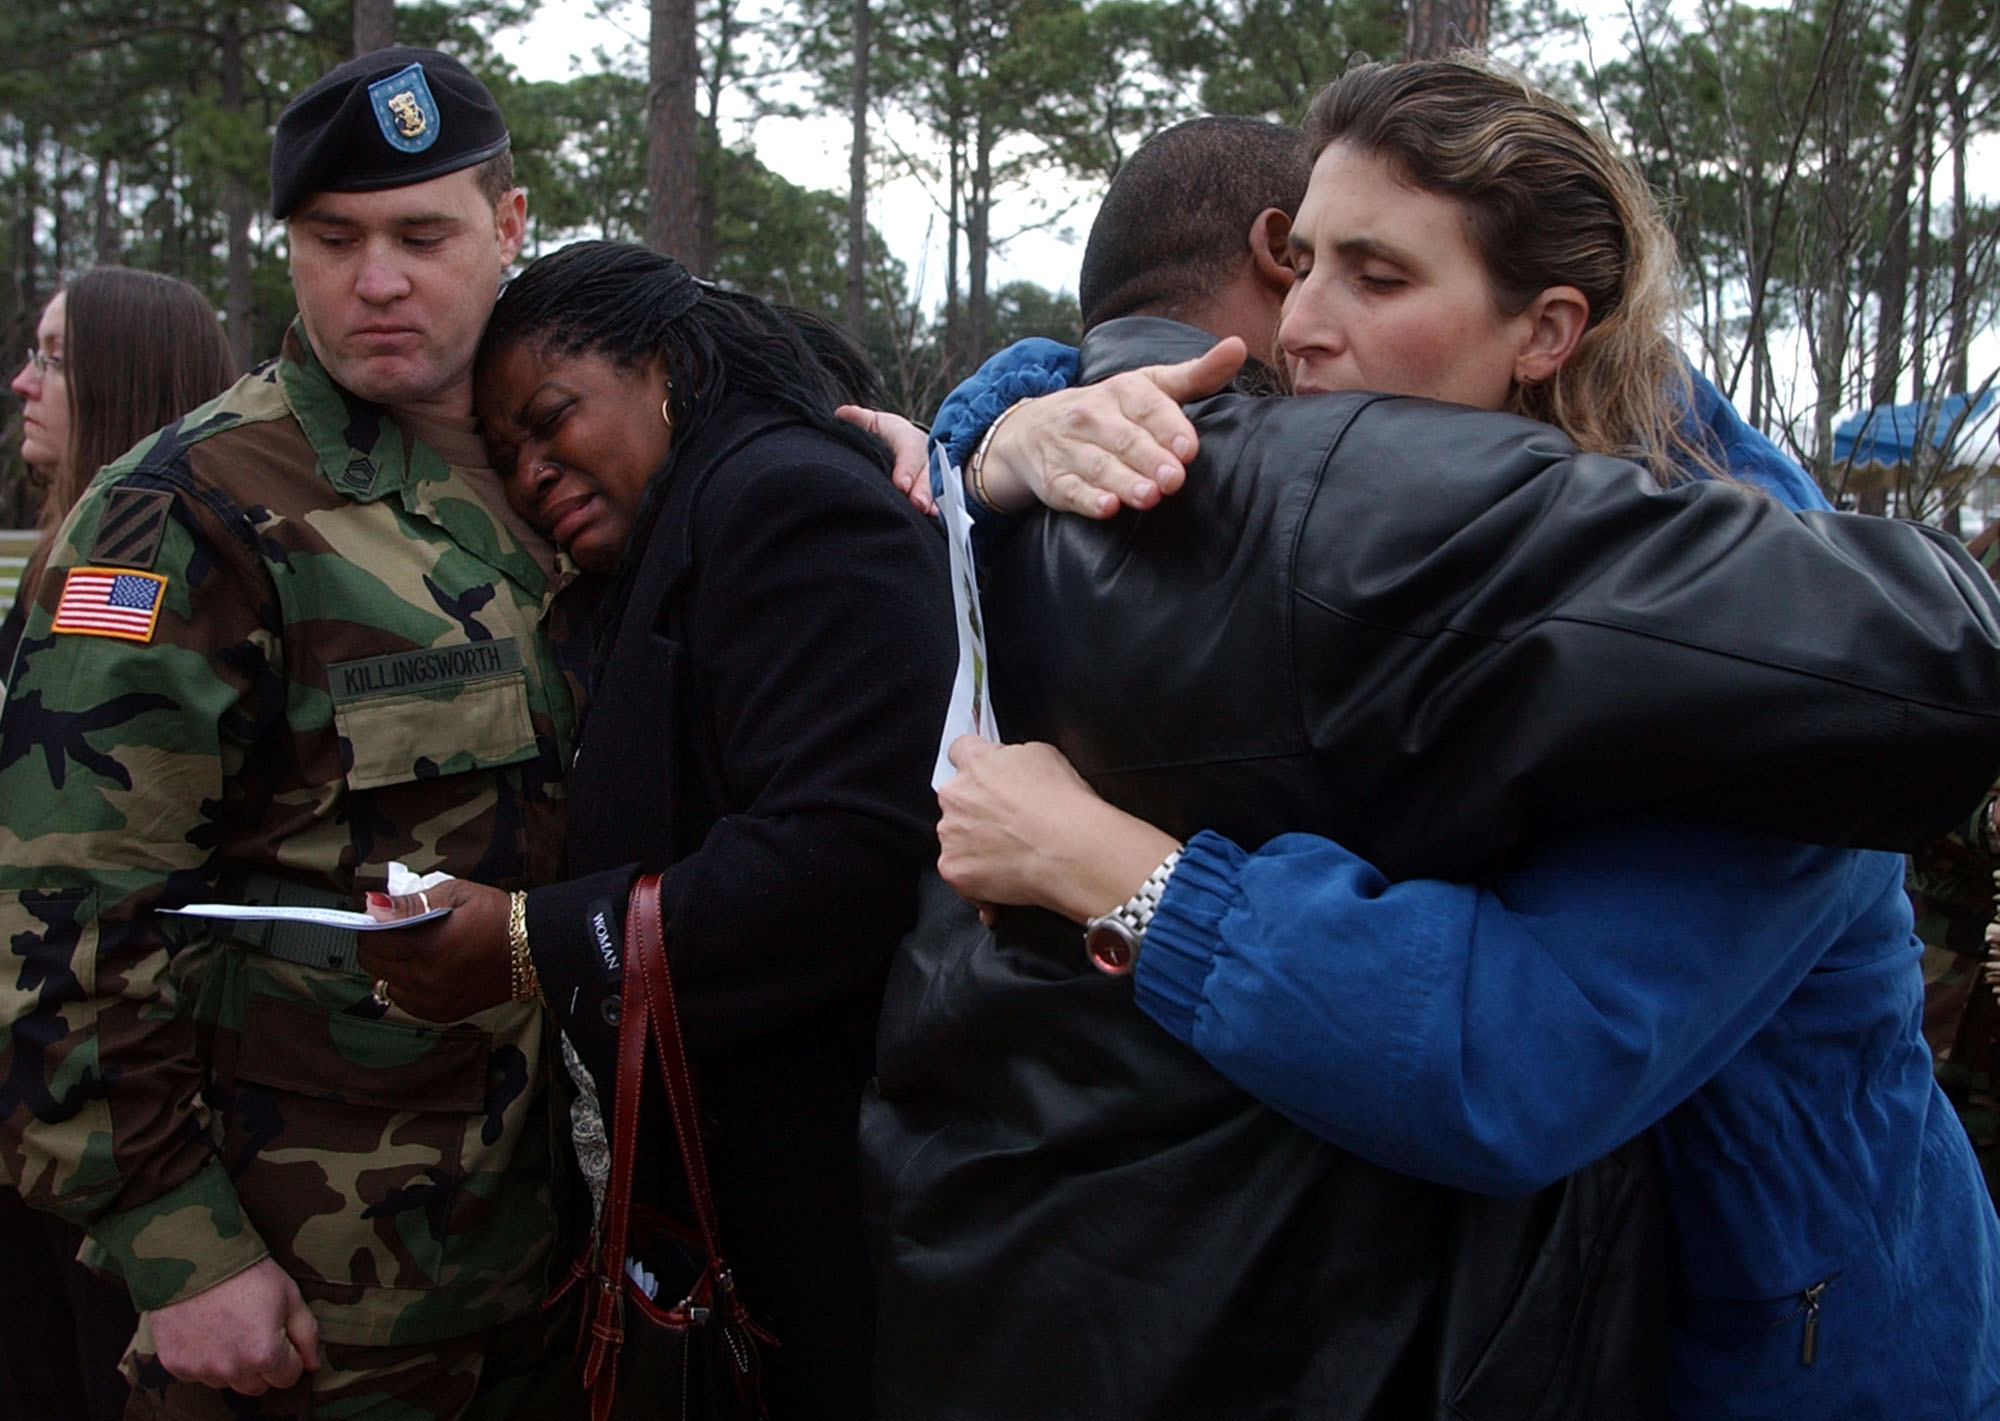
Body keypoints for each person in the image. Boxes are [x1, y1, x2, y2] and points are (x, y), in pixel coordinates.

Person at [867, 65, 2000, 1419]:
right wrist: (1007, 429)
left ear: (1546, 329)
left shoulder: (1743, 646)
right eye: (1298, 266)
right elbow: (1133, 360)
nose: (1301, 330)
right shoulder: (1438, 522)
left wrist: (1114, 867)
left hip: (1787, 1342)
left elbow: (1516, 1060)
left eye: (1376, 279)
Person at [0, 47, 586, 1419]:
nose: (378, 279)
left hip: (532, 1266)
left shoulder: (557, 481)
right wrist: (175, 1248)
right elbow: (57, 909)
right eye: (335, 240)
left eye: (421, 235)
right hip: (303, 1306)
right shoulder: (187, 510)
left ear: (509, 227)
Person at [355, 240, 955, 1415]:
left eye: (552, 418)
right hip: (748, 1196)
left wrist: (531, 939)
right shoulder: (678, 534)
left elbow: (847, 854)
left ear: (665, 365)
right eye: (507, 455)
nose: (531, 472)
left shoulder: (783, 500)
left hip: (840, 1202)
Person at [0, 267, 234, 1421]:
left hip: (95, 1102)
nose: (23, 381)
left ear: (127, 380)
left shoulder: (135, 567)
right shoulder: (66, 558)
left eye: (55, 356)